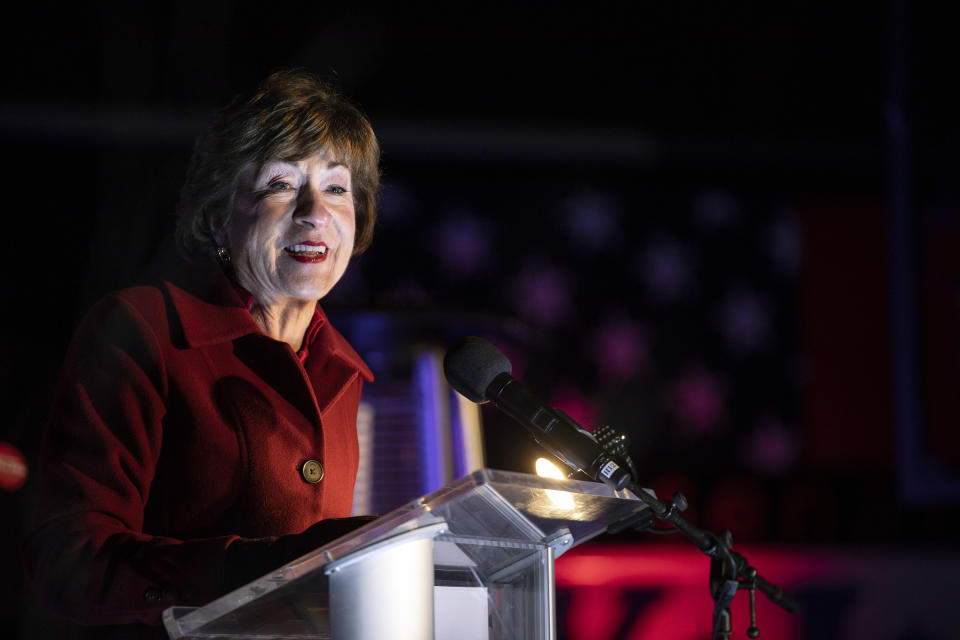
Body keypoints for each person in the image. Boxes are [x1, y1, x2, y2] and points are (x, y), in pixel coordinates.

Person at [22, 69, 380, 639]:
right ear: (220, 213)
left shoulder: (343, 371)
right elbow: (67, 561)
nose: (315, 211)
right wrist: (248, 571)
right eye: (281, 184)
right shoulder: (143, 331)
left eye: (337, 188)